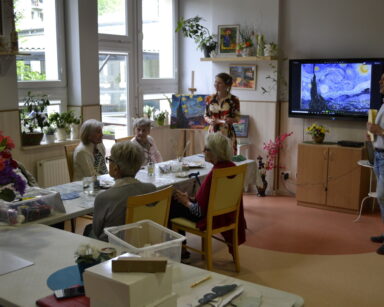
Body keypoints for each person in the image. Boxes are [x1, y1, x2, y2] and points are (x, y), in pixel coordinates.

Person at [169, 132, 246, 262]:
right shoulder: (232, 168)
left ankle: (180, 251)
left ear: (216, 153)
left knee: (171, 205)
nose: (203, 151)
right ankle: (181, 249)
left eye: (206, 149)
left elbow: (199, 212)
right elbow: (212, 199)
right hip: (225, 214)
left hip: (209, 217)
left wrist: (186, 202)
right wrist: (189, 199)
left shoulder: (216, 173)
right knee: (178, 200)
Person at [86, 141, 156, 241]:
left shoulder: (104, 198)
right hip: (142, 240)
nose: (108, 162)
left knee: (88, 230)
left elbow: (97, 231)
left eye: (109, 159)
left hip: (114, 246)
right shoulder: (151, 189)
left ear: (115, 168)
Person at [367, 72, 384, 255]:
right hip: (379, 156)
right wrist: (372, 134)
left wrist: (379, 131)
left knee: (382, 195)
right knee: (382, 199)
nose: (379, 81)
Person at [204, 72, 241, 155]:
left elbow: (237, 118)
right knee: (212, 157)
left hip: (227, 133)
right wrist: (209, 121)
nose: (216, 84)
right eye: (215, 82)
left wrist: (231, 120)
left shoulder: (234, 100)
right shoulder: (209, 98)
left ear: (227, 85)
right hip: (212, 133)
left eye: (219, 83)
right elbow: (206, 115)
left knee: (227, 158)